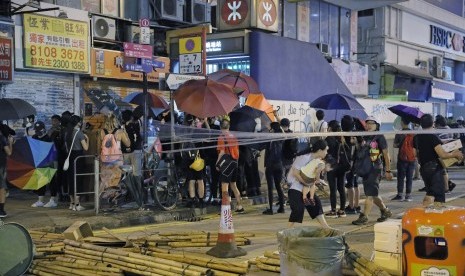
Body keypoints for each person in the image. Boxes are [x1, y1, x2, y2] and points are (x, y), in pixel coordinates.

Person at [414, 114, 463, 207]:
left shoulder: (416, 137)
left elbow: (414, 154)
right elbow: (442, 154)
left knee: (430, 192)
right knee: (438, 195)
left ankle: (426, 212)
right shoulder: (432, 137)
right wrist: (455, 154)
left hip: (423, 168)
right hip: (435, 169)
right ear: (432, 124)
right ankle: (435, 214)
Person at [352, 116, 393, 225]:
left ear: (377, 125)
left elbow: (386, 154)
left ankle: (364, 216)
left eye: (372, 123)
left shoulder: (379, 137)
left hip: (375, 169)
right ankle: (385, 211)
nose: (369, 125)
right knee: (373, 194)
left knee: (369, 195)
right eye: (367, 123)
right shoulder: (364, 136)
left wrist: (388, 171)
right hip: (365, 170)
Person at [287, 140, 330, 229]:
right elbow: (295, 173)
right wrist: (306, 182)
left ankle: (326, 227)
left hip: (307, 187)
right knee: (298, 209)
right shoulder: (304, 157)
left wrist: (315, 182)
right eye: (326, 150)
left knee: (316, 204)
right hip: (295, 186)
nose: (326, 152)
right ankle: (288, 230)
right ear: (319, 150)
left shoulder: (317, 160)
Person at [217, 118, 244, 213]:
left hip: (227, 165)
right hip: (235, 163)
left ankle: (226, 209)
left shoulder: (221, 137)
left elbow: (222, 152)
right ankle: (239, 206)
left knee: (224, 187)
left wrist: (217, 163)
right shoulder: (234, 136)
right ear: (229, 126)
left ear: (220, 127)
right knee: (234, 185)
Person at [63, 115, 89, 211]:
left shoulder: (67, 133)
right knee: (78, 179)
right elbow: (85, 148)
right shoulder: (79, 133)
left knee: (71, 179)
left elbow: (66, 147)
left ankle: (72, 203)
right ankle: (77, 204)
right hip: (78, 158)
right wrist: (88, 139)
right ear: (78, 123)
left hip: (69, 157)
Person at [31, 121, 59, 208]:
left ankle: (53, 200)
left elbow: (53, 152)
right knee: (40, 182)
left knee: (51, 182)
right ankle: (40, 200)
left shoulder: (49, 139)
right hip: (39, 163)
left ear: (43, 129)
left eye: (39, 130)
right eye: (36, 130)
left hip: (48, 163)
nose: (37, 132)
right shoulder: (34, 137)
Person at [324, 120, 349, 218]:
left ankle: (333, 211)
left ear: (330, 128)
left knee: (333, 190)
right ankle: (342, 210)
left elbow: (325, 153)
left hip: (332, 167)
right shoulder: (341, 138)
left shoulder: (328, 139)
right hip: (341, 167)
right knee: (341, 189)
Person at [263, 122, 285, 215]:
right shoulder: (281, 139)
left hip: (270, 166)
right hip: (279, 165)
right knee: (279, 186)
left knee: (270, 188)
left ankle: (271, 209)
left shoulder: (270, 139)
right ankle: (282, 207)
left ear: (273, 129)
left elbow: (267, 151)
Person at [392, 117, 415, 202]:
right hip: (412, 158)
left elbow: (394, 145)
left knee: (401, 177)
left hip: (402, 158)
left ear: (402, 122)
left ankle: (400, 195)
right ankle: (408, 195)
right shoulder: (413, 133)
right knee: (409, 177)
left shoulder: (399, 133)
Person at [341, 115, 360, 215]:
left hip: (350, 164)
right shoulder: (355, 134)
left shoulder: (346, 136)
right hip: (356, 163)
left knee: (350, 185)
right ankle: (357, 205)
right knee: (356, 184)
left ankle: (351, 207)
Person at [0, 130, 14, 217]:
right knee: (2, 188)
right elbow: (9, 153)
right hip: (1, 165)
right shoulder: (2, 138)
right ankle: (1, 211)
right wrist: (10, 143)